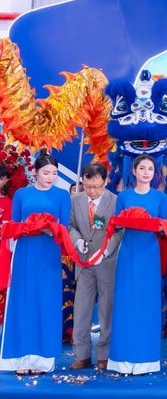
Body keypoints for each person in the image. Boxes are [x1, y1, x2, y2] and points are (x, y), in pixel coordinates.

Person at [0, 150, 70, 375]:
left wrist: (50, 229)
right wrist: (29, 227)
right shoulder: (21, 194)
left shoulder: (62, 195)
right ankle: (20, 358)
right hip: (25, 253)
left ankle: (41, 360)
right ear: (35, 172)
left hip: (48, 253)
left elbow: (65, 228)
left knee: (45, 302)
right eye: (46, 172)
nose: (51, 177)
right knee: (23, 301)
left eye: (54, 173)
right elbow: (14, 225)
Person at [108, 154, 167, 375]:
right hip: (128, 253)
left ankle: (146, 360)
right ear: (133, 171)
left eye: (150, 169)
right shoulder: (123, 196)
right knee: (125, 302)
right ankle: (121, 359)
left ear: (154, 173)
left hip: (149, 255)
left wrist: (154, 224)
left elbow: (163, 228)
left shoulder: (160, 198)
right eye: (141, 168)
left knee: (147, 304)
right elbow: (116, 224)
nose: (146, 172)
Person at [67, 163, 123, 371]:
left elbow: (119, 231)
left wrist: (106, 251)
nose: (91, 191)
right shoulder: (75, 200)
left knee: (107, 310)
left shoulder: (116, 201)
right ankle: (81, 355)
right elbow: (71, 226)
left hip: (106, 263)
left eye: (96, 187)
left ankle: (104, 355)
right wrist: (77, 241)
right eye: (87, 186)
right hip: (83, 263)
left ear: (106, 181)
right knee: (81, 310)